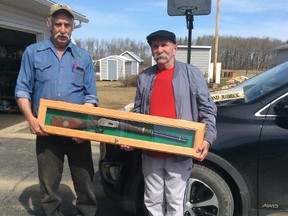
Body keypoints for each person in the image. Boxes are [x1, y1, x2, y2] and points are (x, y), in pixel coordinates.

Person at [15, 3, 98, 216]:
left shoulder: (83, 57)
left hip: (77, 132)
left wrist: (83, 126)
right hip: (46, 130)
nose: (62, 29)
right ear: (49, 24)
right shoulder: (33, 53)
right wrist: (31, 120)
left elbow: (90, 96)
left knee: (86, 183)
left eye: (67, 25)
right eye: (58, 24)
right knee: (49, 187)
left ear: (72, 28)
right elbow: (23, 89)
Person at [131, 30, 217, 216]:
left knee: (175, 202)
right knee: (152, 201)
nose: (159, 50)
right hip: (151, 152)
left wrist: (207, 138)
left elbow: (208, 109)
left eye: (164, 45)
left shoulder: (190, 73)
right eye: (155, 46)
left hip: (180, 150)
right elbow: (137, 112)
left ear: (174, 48)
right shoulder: (144, 77)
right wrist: (130, 137)